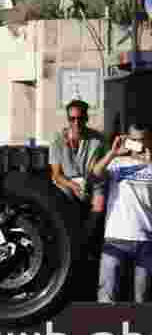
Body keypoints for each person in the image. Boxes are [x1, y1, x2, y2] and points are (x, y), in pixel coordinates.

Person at [91, 122, 152, 302]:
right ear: (127, 139)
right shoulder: (116, 163)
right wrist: (112, 153)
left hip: (146, 239)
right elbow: (94, 174)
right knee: (106, 295)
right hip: (115, 237)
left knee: (143, 298)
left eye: (142, 140)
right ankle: (103, 328)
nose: (138, 144)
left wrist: (149, 159)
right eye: (133, 140)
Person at [48, 100, 106, 259]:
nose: (76, 122)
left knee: (99, 203)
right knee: (65, 199)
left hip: (91, 179)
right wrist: (73, 185)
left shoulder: (97, 139)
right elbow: (56, 175)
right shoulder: (57, 139)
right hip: (67, 181)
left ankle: (85, 243)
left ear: (86, 118)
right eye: (72, 119)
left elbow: (99, 168)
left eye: (80, 118)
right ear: (67, 119)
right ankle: (72, 244)